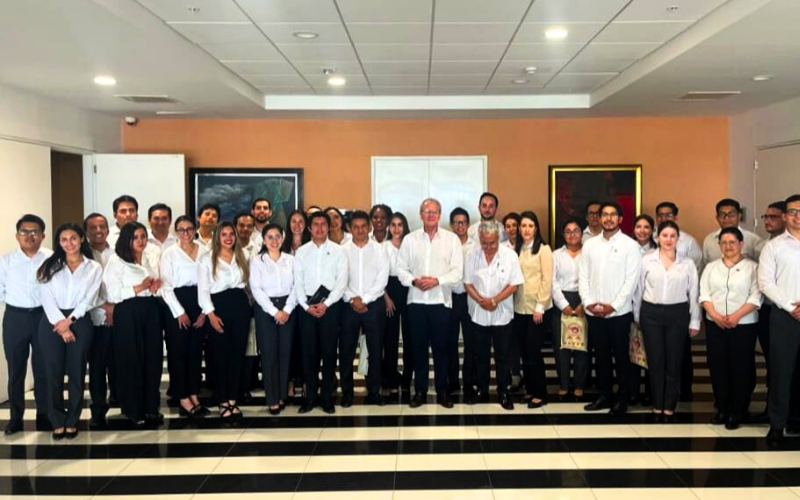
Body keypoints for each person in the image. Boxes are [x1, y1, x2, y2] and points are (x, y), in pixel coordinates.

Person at [37, 223, 102, 440]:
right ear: (58, 242)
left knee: (77, 371)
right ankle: (56, 420)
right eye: (64, 239)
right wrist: (61, 324)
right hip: (51, 322)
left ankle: (72, 419)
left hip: (80, 320)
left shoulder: (93, 267)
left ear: (82, 239)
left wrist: (70, 320)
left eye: (73, 238)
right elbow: (46, 298)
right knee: (53, 372)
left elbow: (90, 298)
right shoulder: (49, 265)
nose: (69, 243)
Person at [397, 198, 463, 409]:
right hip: (416, 302)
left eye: (434, 211)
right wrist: (414, 281)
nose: (431, 215)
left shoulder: (451, 240)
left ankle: (443, 391)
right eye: (427, 211)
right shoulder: (410, 240)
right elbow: (400, 269)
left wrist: (437, 281)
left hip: (441, 303)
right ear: (421, 214)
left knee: (442, 349)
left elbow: (457, 272)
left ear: (440, 215)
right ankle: (420, 391)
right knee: (418, 349)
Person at [579, 202, 642, 416]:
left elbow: (631, 281)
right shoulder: (589, 245)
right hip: (594, 311)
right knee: (601, 356)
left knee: (621, 356)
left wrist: (612, 306)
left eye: (612, 214)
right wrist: (588, 302)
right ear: (598, 218)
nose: (608, 218)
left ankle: (622, 399)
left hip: (619, 313)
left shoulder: (630, 245)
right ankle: (604, 395)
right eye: (604, 214)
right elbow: (583, 276)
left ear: (620, 219)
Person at [635, 221, 700, 423]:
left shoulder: (687, 264)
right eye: (664, 235)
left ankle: (669, 405)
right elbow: (638, 289)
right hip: (650, 314)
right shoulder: (646, 260)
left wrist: (695, 320)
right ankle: (657, 404)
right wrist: (637, 316)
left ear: (678, 239)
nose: (668, 239)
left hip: (678, 313)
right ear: (657, 238)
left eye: (673, 236)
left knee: (674, 361)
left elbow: (694, 293)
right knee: (655, 361)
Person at [700, 227, 762, 430]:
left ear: (741, 244)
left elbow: (756, 296)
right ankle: (722, 408)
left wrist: (736, 316)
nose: (728, 246)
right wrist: (715, 316)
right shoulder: (711, 268)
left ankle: (738, 410)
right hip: (715, 324)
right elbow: (704, 295)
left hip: (744, 324)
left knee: (741, 367)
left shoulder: (753, 268)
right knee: (717, 366)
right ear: (719, 245)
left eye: (732, 242)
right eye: (723, 243)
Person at [103, 221, 163, 427]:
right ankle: (133, 409)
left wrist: (154, 286)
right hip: (128, 312)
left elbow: (153, 284)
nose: (140, 241)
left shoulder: (148, 257)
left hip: (150, 309)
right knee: (131, 360)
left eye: (143, 236)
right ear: (126, 240)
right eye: (135, 237)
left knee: (153, 359)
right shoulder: (116, 260)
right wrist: (139, 287)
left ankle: (151, 408)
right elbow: (112, 293)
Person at [464, 221, 524, 410]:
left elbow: (514, 284)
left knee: (503, 355)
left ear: (498, 238)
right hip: (479, 312)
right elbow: (468, 283)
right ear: (480, 239)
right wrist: (481, 301)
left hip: (502, 313)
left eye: (492, 243)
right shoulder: (472, 255)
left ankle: (503, 391)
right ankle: (482, 390)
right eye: (484, 243)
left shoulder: (510, 255)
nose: (488, 247)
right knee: (480, 354)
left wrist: (495, 300)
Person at [1, 214, 52, 435]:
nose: (29, 235)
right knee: (16, 370)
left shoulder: (52, 258)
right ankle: (15, 418)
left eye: (34, 231)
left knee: (43, 369)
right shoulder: (6, 261)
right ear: (17, 235)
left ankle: (44, 415)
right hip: (15, 318)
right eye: (24, 231)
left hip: (43, 317)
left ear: (43, 235)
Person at [294, 211, 348, 414]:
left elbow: (341, 282)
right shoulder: (301, 252)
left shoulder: (338, 251)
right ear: (309, 228)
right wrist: (306, 305)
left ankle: (327, 398)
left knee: (328, 353)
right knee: (309, 354)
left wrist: (327, 304)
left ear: (328, 226)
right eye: (315, 224)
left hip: (330, 308)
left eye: (323, 224)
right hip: (307, 308)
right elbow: (297, 281)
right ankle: (310, 397)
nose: (319, 228)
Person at [198, 221, 251, 422]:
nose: (228, 238)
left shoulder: (244, 255)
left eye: (231, 234)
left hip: (240, 306)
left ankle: (232, 399)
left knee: (237, 355)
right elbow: (203, 292)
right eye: (224, 234)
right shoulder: (206, 259)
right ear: (217, 237)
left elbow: (249, 283)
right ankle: (222, 400)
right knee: (220, 356)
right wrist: (211, 315)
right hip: (218, 307)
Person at [758, 194, 800, 444]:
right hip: (784, 317)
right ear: (785, 216)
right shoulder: (773, 246)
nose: (798, 216)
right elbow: (765, 283)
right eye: (793, 212)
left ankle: (797, 420)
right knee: (781, 371)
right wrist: (791, 307)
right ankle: (777, 424)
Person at [160, 215, 208, 418]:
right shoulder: (169, 253)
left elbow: (210, 280)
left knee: (195, 352)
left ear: (195, 229)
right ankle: (182, 396)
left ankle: (193, 392)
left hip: (200, 300)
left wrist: (205, 310)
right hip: (176, 303)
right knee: (178, 352)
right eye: (181, 230)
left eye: (189, 229)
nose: (186, 233)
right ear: (176, 232)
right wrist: (179, 312)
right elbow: (166, 286)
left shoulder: (205, 250)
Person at [340, 210, 389, 407]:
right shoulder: (342, 250)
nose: (360, 230)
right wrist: (353, 300)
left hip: (374, 304)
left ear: (369, 227)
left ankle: (374, 391)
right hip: (348, 305)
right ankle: (347, 393)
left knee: (375, 350)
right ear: (349, 228)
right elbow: (338, 279)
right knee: (346, 350)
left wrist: (365, 300)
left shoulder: (379, 250)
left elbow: (382, 279)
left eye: (363, 226)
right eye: (356, 227)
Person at [250, 223, 297, 415]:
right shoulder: (256, 261)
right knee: (269, 354)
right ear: (263, 240)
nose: (274, 240)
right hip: (265, 309)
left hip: (288, 307)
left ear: (283, 238)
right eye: (270, 237)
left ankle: (282, 394)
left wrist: (286, 309)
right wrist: (274, 312)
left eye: (278, 236)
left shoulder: (291, 260)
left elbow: (297, 286)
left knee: (285, 353)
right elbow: (256, 289)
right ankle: (272, 398)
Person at [513, 211, 553, 408]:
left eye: (530, 226)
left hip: (538, 309)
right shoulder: (518, 249)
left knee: (533, 350)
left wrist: (540, 306)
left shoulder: (544, 250)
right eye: (523, 226)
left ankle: (540, 392)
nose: (526, 229)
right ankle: (530, 389)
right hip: (519, 308)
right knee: (524, 351)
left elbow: (547, 279)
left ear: (536, 228)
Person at [83, 213, 117, 428]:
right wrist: (106, 307)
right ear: (86, 232)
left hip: (119, 316)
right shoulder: (82, 256)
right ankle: (98, 409)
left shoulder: (117, 253)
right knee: (97, 367)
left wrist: (115, 308)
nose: (98, 231)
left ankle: (119, 398)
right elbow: (84, 290)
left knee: (118, 362)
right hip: (94, 318)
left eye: (102, 226)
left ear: (107, 229)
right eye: (93, 227)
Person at [551, 218, 589, 401]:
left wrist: (585, 303)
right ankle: (564, 384)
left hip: (583, 299)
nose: (572, 234)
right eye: (568, 231)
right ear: (563, 234)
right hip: (561, 301)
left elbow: (593, 279)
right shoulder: (556, 255)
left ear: (582, 234)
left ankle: (579, 385)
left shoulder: (589, 253)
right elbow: (552, 281)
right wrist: (563, 304)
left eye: (576, 231)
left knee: (582, 345)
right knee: (561, 346)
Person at [280, 209, 310, 398]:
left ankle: (306, 381)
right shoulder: (281, 245)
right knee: (289, 344)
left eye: (301, 221)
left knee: (305, 343)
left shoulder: (311, 245)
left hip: (307, 301)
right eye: (293, 221)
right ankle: (289, 381)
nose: (297, 225)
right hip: (287, 303)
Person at [448, 208, 478, 396]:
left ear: (468, 224)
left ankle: (469, 381)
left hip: (470, 298)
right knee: (450, 342)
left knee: (471, 342)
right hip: (450, 298)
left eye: (464, 222)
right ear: (451, 225)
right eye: (457, 222)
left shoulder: (476, 246)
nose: (460, 226)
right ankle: (452, 381)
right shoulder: (446, 244)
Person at [381, 212, 412, 395]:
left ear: (404, 226)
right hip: (389, 291)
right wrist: (386, 298)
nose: (396, 228)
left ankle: (407, 378)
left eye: (400, 224)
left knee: (409, 337)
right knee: (390, 338)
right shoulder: (383, 247)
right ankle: (390, 377)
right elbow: (379, 275)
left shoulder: (411, 245)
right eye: (393, 224)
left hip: (408, 290)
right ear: (389, 227)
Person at [233, 212, 260, 402]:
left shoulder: (257, 249)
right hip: (232, 302)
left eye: (249, 226)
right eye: (241, 225)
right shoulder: (227, 247)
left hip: (253, 302)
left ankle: (245, 385)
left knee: (250, 345)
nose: (245, 229)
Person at [631, 214, 655, 405]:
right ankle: (632, 391)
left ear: (652, 230)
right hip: (627, 306)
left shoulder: (658, 251)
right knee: (632, 350)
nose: (642, 231)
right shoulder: (627, 248)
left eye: (646, 227)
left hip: (649, 308)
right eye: (638, 227)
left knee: (651, 351)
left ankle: (650, 391)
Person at [703, 198, 764, 266]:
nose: (727, 218)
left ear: (739, 216)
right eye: (722, 214)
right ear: (717, 218)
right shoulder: (709, 240)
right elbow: (705, 264)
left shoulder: (754, 240)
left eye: (731, 214)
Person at [655, 202, 702, 269]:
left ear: (676, 217)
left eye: (668, 215)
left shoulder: (689, 242)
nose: (663, 219)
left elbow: (696, 268)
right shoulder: (650, 237)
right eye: (660, 215)